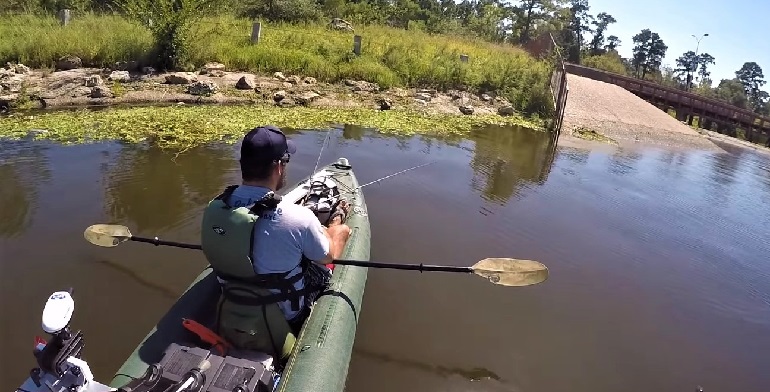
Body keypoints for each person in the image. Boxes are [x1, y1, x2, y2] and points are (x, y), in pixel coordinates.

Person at [200, 125, 351, 358]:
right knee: (326, 254)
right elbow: (329, 256)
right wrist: (337, 228)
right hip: (286, 314)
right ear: (279, 166)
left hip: (233, 299)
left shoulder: (215, 206)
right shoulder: (299, 218)